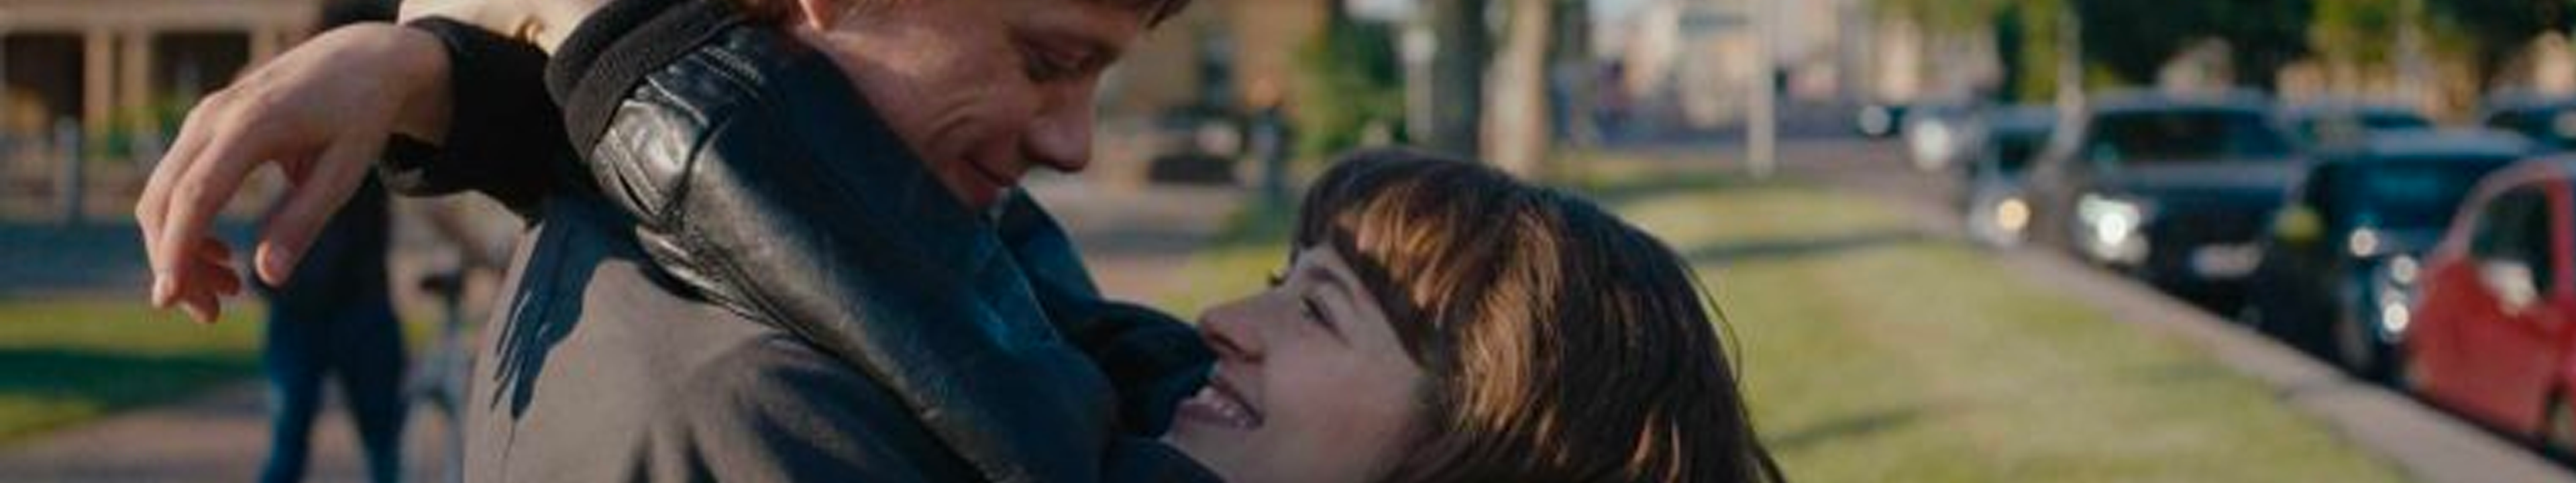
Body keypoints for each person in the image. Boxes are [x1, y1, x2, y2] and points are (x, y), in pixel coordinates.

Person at [133, 1, 1785, 481]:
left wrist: (555, 76)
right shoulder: (765, 411)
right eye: (1047, 55)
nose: (1072, 142)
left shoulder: (820, 383)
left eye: (1321, 308)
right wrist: (483, 81)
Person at [248, 1, 408, 482]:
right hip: (346, 302)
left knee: (292, 446)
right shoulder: (377, 102)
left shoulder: (372, 105)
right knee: (379, 449)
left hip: (318, 299)